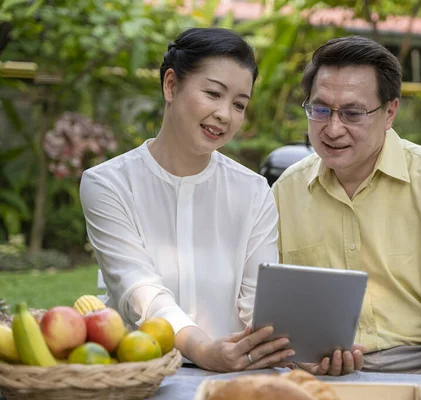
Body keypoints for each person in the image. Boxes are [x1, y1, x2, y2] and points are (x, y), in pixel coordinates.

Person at [271, 35, 421, 375]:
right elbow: (267, 307)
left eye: (352, 113)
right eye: (320, 110)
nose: (333, 128)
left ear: (389, 112)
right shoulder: (286, 192)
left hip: (418, 365)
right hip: (315, 374)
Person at [79, 27, 296, 372]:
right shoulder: (108, 184)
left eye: (239, 104)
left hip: (234, 375)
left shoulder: (254, 191)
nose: (225, 114)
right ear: (171, 85)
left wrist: (289, 349)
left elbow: (259, 304)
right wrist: (205, 350)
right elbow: (142, 292)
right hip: (139, 373)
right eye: (213, 93)